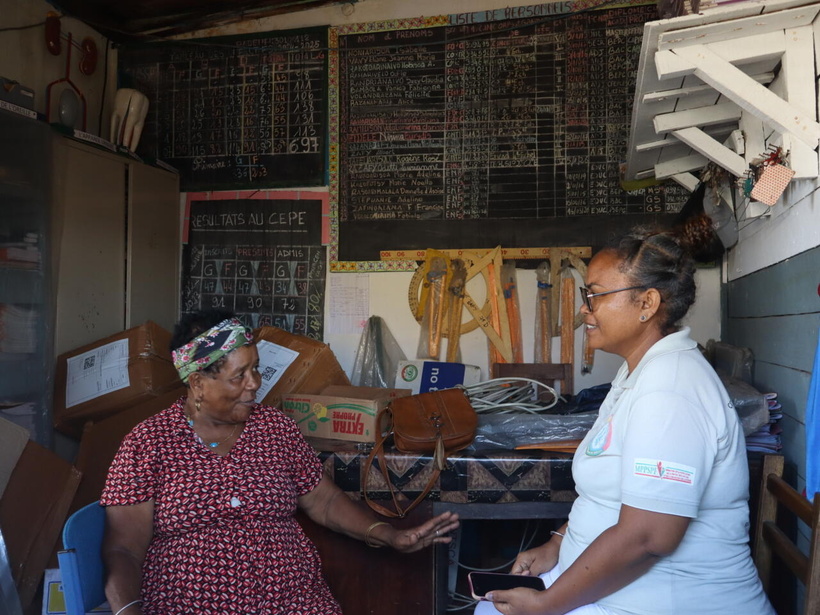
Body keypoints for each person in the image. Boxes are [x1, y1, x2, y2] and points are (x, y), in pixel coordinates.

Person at [476, 226, 774, 615]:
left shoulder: (671, 389)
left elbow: (648, 538)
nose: (585, 309)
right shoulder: (638, 373)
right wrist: (557, 544)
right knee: (490, 607)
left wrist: (547, 604)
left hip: (667, 603)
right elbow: (610, 497)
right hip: (616, 592)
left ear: (647, 302)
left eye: (595, 295)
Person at [101, 309, 459, 615]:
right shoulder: (148, 443)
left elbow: (325, 500)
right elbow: (123, 549)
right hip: (192, 603)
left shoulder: (275, 427)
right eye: (238, 376)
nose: (254, 384)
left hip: (292, 600)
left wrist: (388, 535)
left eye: (255, 369)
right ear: (197, 383)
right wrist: (126, 609)